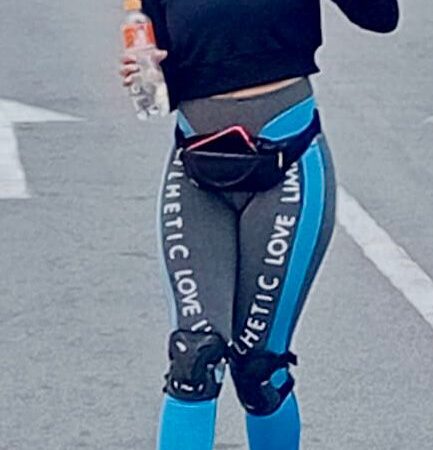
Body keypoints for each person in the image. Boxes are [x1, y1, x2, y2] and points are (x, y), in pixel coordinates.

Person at [120, 1, 399, 449]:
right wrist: (146, 70)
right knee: (194, 359)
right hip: (198, 171)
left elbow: (381, 16)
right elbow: (167, 76)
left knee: (260, 370)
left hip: (287, 163)